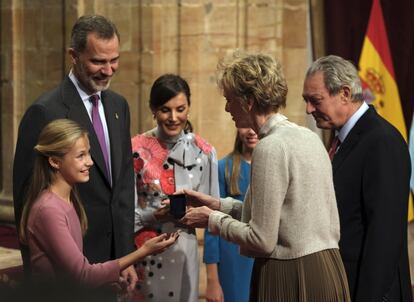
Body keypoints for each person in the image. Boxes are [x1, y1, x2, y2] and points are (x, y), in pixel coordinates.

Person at [181, 51, 350, 301]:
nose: (227, 108)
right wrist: (216, 205)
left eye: (230, 100)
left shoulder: (270, 147)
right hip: (329, 268)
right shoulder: (308, 137)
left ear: (248, 101)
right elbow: (283, 218)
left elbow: (261, 239)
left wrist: (212, 220)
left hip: (291, 272)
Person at [12, 14, 138, 290]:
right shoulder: (45, 111)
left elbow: (124, 187)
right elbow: (26, 197)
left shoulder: (119, 106)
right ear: (74, 55)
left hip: (115, 263)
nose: (108, 70)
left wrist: (126, 256)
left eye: (113, 60)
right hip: (68, 272)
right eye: (98, 61)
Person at [18, 119, 178, 290]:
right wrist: (144, 250)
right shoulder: (48, 210)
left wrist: (109, 280)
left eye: (88, 153)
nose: (90, 162)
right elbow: (83, 275)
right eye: (81, 156)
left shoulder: (69, 198)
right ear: (55, 162)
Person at [302, 55, 412, 302]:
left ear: (344, 93)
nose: (308, 109)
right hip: (343, 287)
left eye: (315, 100)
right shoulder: (342, 140)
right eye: (306, 101)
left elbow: (384, 235)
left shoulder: (382, 141)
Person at [131, 74, 219, 302]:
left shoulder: (205, 152)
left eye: (180, 109)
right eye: (165, 109)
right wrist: (154, 215)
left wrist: (213, 278)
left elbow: (214, 218)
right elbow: (121, 215)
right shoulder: (135, 149)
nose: (173, 117)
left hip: (185, 253)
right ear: (153, 109)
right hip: (145, 253)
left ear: (189, 107)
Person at [203, 128, 257, 302]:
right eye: (245, 124)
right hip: (233, 262)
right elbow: (211, 225)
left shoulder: (274, 166)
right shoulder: (223, 168)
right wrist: (212, 279)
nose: (251, 131)